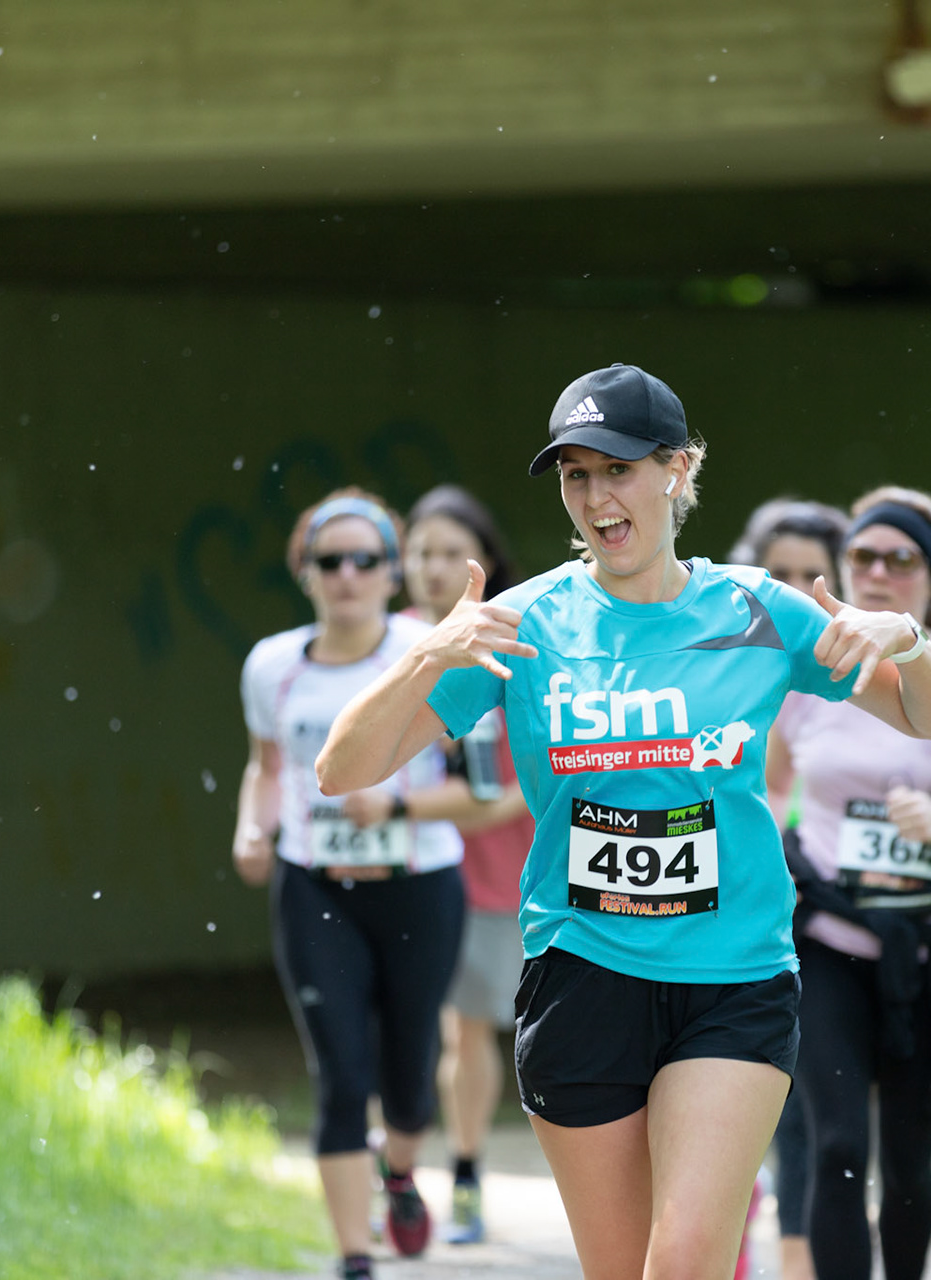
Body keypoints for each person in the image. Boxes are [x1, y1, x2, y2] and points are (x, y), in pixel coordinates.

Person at [314, 364, 931, 1280]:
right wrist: (425, 650)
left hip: (733, 977)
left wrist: (909, 635)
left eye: (618, 468)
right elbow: (341, 768)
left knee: (687, 1263)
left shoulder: (756, 612)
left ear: (678, 470)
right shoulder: (523, 623)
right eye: (576, 475)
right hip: (582, 975)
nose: (597, 496)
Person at [768, 486, 931, 1280]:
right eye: (862, 556)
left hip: (930, 948)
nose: (878, 573)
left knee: (909, 1164)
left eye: (900, 558)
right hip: (828, 942)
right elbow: (772, 795)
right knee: (838, 1146)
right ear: (842, 565)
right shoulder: (808, 677)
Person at [234, 488, 485, 1279]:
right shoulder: (272, 664)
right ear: (305, 574)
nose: (348, 576)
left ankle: (401, 1170)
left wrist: (400, 802)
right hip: (316, 885)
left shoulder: (434, 648)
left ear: (392, 570)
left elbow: (480, 790)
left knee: (409, 1078)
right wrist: (253, 825)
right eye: (329, 562)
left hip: (419, 885)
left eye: (365, 560)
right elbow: (265, 767)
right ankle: (353, 1259)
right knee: (341, 1072)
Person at [401, 484, 534, 1245]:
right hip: (435, 876)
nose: (433, 566)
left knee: (540, 1032)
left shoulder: (518, 637)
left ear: (484, 561)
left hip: (522, 869)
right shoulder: (393, 649)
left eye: (451, 551)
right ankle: (467, 1173)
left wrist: (408, 810)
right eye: (420, 551)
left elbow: (516, 791)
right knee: (465, 1033)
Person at [726, 496, 851, 1280]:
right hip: (722, 925)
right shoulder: (717, 670)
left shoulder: (852, 689)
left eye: (817, 577)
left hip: (826, 929)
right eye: (782, 576)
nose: (798, 592)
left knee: (809, 1122)